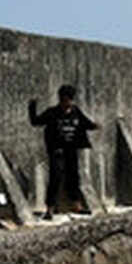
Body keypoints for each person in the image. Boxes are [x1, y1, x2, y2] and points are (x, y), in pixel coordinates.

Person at [28, 84, 98, 219]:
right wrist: (32, 107)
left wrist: (94, 126)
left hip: (71, 149)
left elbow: (85, 123)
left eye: (68, 100)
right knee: (55, 177)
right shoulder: (52, 112)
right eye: (64, 100)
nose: (66, 103)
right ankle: (50, 208)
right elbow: (35, 122)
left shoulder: (76, 111)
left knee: (74, 177)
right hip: (56, 150)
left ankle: (76, 205)